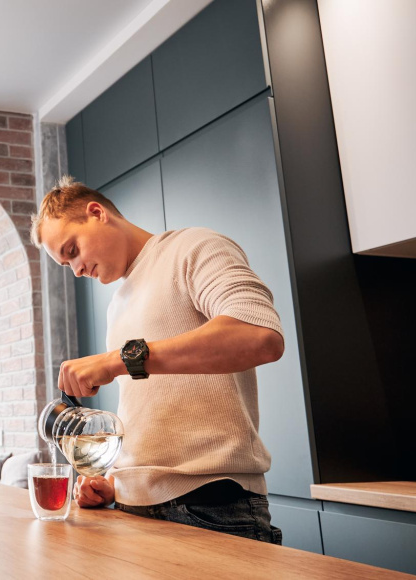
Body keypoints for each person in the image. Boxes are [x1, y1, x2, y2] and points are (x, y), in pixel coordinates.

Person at [31, 176, 285, 544]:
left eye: (72, 250)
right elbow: (154, 410)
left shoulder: (193, 247)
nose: (76, 270)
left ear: (97, 213)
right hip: (132, 509)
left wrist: (119, 360)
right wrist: (116, 483)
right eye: (65, 264)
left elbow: (259, 336)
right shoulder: (117, 306)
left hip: (210, 509)